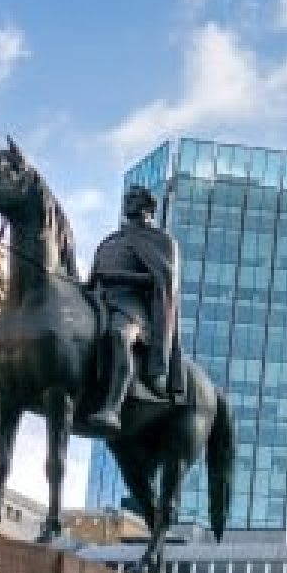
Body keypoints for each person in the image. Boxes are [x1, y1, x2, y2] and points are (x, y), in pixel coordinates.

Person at [85, 183, 182, 435]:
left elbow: (162, 281)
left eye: (134, 199)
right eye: (127, 198)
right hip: (99, 299)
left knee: (119, 335)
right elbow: (94, 276)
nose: (128, 202)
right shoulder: (111, 240)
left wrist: (118, 277)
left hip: (132, 304)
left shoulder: (161, 240)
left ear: (148, 207)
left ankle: (112, 408)